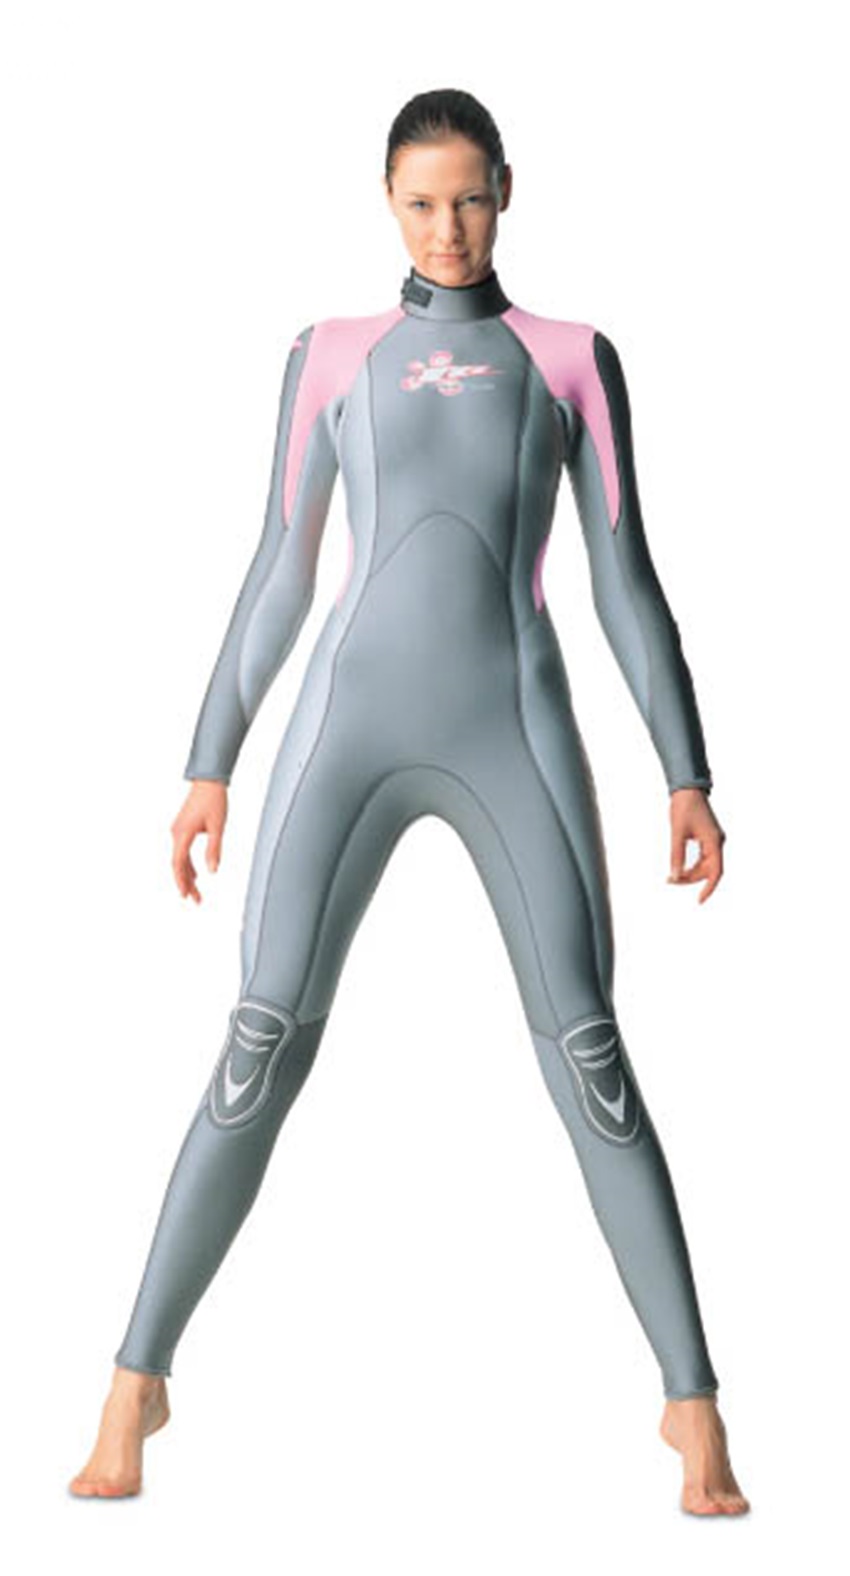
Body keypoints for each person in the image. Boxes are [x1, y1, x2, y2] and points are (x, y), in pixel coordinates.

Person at [69, 88, 749, 1516]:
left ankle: (691, 1405)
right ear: (387, 199)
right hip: (347, 730)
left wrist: (685, 772)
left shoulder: (569, 360)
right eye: (422, 202)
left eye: (470, 199)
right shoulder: (328, 356)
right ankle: (135, 1381)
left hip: (513, 730)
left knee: (590, 1056)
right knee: (258, 1042)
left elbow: (626, 582)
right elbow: (279, 570)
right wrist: (208, 764)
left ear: (506, 191)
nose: (448, 230)